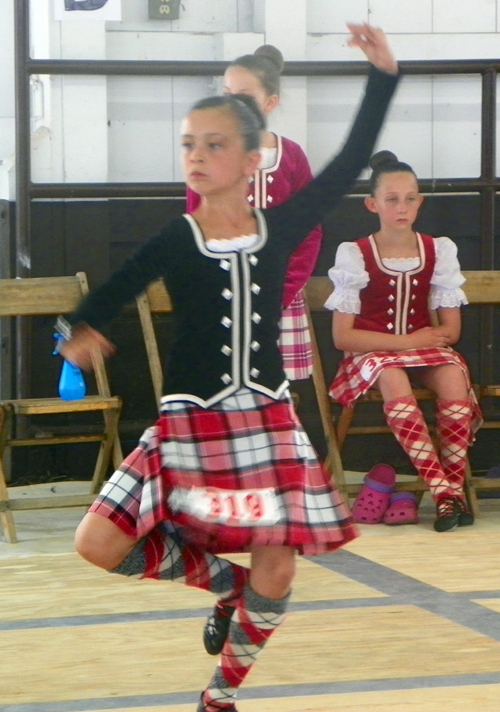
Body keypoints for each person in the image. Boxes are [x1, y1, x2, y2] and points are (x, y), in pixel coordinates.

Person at [59, 25, 399, 712]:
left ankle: (219, 699)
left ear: (251, 159)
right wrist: (80, 331)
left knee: (280, 559)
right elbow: (113, 290)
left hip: (267, 420)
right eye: (189, 143)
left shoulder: (281, 225)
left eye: (215, 144)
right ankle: (224, 585)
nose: (197, 156)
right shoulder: (176, 237)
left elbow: (347, 163)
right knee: (95, 541)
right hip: (189, 424)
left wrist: (383, 77)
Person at [326, 149, 483, 534]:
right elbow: (343, 337)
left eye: (410, 199)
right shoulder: (355, 254)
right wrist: (408, 341)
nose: (402, 207)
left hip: (422, 349)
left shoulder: (437, 249)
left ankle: (449, 495)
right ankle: (445, 491)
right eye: (392, 199)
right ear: (372, 204)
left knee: (451, 374)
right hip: (371, 354)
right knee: (392, 374)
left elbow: (451, 331)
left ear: (420, 202)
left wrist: (423, 342)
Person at [187, 44, 322, 383]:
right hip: (224, 294)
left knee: (275, 389)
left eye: (244, 95)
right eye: (228, 94)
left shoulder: (291, 156)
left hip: (279, 295)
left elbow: (308, 231)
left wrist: (282, 291)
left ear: (269, 102)